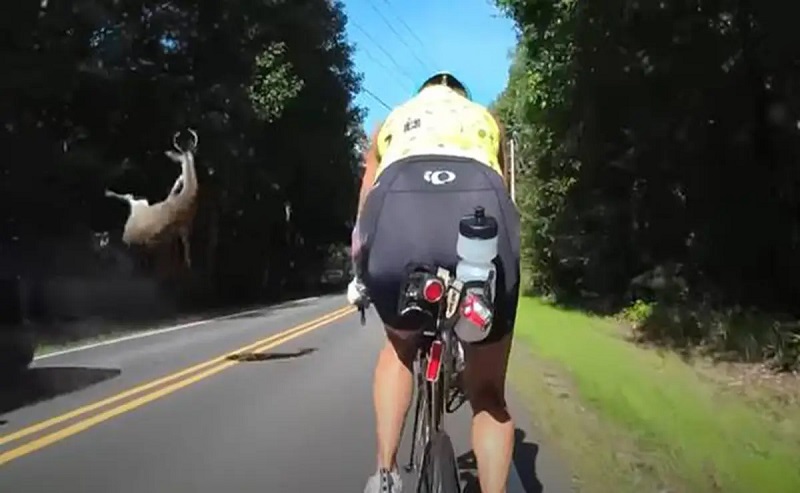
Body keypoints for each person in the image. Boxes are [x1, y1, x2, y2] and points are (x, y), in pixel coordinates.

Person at [349, 71, 521, 493]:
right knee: (488, 393)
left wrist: (360, 274)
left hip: (399, 216)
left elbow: (366, 201)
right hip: (480, 217)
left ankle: (385, 476)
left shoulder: (392, 122)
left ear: (422, 94)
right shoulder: (486, 120)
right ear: (461, 96)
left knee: (400, 346)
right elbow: (507, 196)